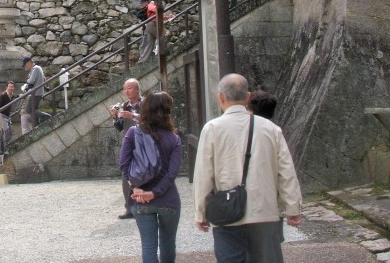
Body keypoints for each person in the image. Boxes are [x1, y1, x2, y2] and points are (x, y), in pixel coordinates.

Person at [194, 74, 303, 263]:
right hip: (265, 212)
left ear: (220, 97)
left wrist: (201, 212)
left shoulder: (212, 128)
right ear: (248, 97)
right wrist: (293, 206)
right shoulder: (271, 129)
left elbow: (204, 174)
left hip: (229, 213)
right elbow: (286, 171)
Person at [120, 92, 182, 263]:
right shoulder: (174, 139)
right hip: (168, 199)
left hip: (140, 198)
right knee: (168, 245)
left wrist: (136, 188)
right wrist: (155, 193)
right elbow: (172, 173)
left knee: (148, 246)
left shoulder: (133, 133)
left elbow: (124, 164)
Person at [110, 78, 144, 220]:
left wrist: (133, 116)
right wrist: (114, 117)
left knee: (144, 173)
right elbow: (119, 127)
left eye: (129, 88)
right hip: (128, 144)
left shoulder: (146, 103)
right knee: (126, 174)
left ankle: (143, 205)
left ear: (137, 89)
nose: (126, 91)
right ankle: (129, 208)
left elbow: (150, 120)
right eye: (125, 89)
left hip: (143, 143)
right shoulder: (124, 105)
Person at [22, 56, 46, 128]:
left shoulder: (35, 69)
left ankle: (45, 116)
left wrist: (28, 79)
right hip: (38, 92)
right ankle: (36, 125)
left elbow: (31, 81)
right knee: (34, 110)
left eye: (26, 64)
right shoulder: (37, 68)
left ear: (29, 62)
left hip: (35, 93)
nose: (26, 66)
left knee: (29, 110)